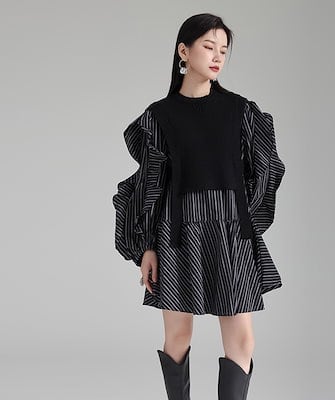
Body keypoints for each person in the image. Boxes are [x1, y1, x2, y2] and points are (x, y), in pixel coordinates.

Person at [112, 12, 286, 400]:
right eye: (208, 46)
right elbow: (150, 183)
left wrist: (243, 219)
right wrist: (146, 246)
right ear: (184, 51)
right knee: (177, 335)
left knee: (242, 340)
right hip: (177, 235)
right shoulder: (159, 116)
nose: (217, 56)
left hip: (230, 233)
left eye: (223, 49)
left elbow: (267, 167)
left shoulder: (241, 111)